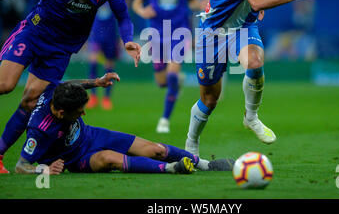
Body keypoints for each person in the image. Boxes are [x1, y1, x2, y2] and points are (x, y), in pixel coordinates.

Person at [0, 0, 142, 173]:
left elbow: (123, 16)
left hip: (61, 49)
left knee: (31, 100)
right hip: (34, 33)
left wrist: (128, 39)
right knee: (5, 85)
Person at [185, 0, 321, 156]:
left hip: (242, 27)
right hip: (212, 32)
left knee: (255, 62)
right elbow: (257, 0)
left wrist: (250, 5)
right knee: (209, 99)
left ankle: (251, 116)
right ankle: (191, 143)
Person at [14, 72, 234, 174]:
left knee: (155, 149)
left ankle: (204, 164)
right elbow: (21, 167)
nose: (83, 114)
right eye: (78, 112)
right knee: (110, 158)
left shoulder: (55, 91)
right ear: (61, 113)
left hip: (92, 136)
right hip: (77, 158)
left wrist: (96, 82)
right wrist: (44, 170)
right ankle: (171, 169)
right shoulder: (38, 131)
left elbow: (69, 83)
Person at [132, 0, 203, 133]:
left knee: (171, 75)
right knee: (162, 82)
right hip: (156, 33)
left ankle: (164, 120)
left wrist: (204, 5)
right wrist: (141, 11)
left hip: (179, 33)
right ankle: (175, 83)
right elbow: (136, 2)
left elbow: (193, 1)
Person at [86, 1, 120, 110]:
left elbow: (121, 16)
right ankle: (93, 96)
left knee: (109, 67)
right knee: (93, 62)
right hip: (96, 35)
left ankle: (106, 98)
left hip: (111, 36)